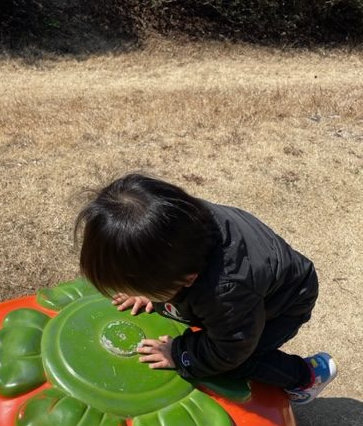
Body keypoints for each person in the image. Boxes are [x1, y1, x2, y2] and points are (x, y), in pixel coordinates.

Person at [74, 173, 337, 404]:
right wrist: (147, 288)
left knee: (235, 362)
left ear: (187, 279)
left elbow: (231, 348)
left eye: (142, 286)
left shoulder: (225, 291)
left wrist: (180, 353)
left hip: (284, 303)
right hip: (252, 285)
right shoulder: (179, 223)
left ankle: (305, 376)